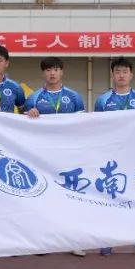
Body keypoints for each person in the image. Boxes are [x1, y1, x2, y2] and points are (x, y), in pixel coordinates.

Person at [24, 56, 88, 257]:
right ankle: (43, 241)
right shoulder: (33, 98)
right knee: (43, 196)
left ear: (62, 72)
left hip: (68, 155)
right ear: (43, 73)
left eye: (55, 69)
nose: (52, 73)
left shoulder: (74, 97)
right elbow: (23, 128)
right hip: (42, 156)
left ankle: (73, 240)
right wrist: (29, 115)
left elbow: (82, 126)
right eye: (48, 70)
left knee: (71, 196)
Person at [93, 57, 135, 257]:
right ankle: (108, 239)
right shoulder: (102, 100)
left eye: (125, 71)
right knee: (110, 198)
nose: (121, 75)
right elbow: (96, 127)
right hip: (111, 157)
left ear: (131, 75)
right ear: (112, 75)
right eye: (117, 71)